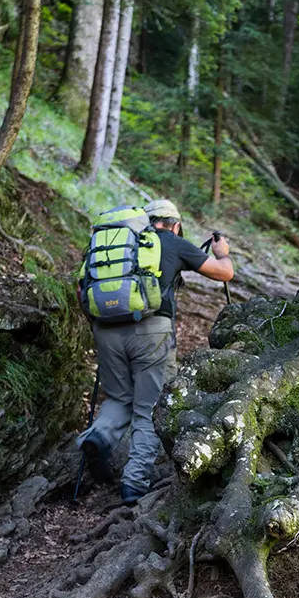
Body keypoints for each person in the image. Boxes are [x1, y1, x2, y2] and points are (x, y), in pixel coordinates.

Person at [79, 199, 233, 504]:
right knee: (149, 407)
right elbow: (223, 274)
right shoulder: (172, 242)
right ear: (174, 224)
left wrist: (102, 327)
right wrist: (222, 253)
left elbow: (82, 287)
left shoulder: (119, 247)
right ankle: (134, 484)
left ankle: (96, 436)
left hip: (105, 329)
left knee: (119, 398)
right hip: (149, 331)